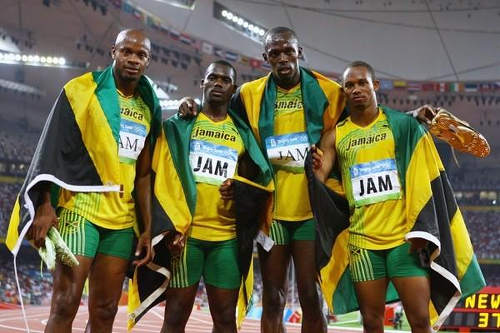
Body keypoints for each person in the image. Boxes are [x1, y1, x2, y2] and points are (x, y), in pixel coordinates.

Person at [178, 26, 437, 333]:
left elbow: (366, 115)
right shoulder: (249, 95)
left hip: (310, 213)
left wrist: (410, 116)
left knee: (310, 295)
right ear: (266, 58)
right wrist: (190, 105)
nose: (283, 58)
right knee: (272, 298)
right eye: (275, 53)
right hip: (271, 213)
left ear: (300, 52)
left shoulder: (329, 91)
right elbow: (217, 114)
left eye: (289, 51)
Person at [310, 61, 485, 332]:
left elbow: (421, 161)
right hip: (363, 243)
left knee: (419, 321)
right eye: (350, 85)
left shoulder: (401, 125)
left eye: (362, 83)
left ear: (374, 85)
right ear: (344, 91)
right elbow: (320, 181)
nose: (356, 89)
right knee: (371, 323)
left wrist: (419, 117)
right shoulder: (336, 136)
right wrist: (312, 167)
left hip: (404, 241)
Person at [6, 29, 162, 333]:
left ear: (148, 61)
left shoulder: (148, 106)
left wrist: (146, 229)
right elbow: (52, 148)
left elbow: (143, 174)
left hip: (120, 221)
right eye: (126, 51)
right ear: (113, 52)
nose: (133, 59)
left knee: (105, 310)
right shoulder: (81, 91)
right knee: (66, 301)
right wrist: (44, 205)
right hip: (80, 211)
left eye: (140, 54)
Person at [126, 61, 274, 332]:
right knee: (175, 316)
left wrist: (239, 188)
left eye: (225, 80)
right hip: (187, 239)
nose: (218, 83)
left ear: (233, 89)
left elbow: (257, 183)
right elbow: (159, 175)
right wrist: (169, 226)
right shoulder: (181, 126)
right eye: (212, 78)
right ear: (203, 84)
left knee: (225, 319)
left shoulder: (241, 133)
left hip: (226, 240)